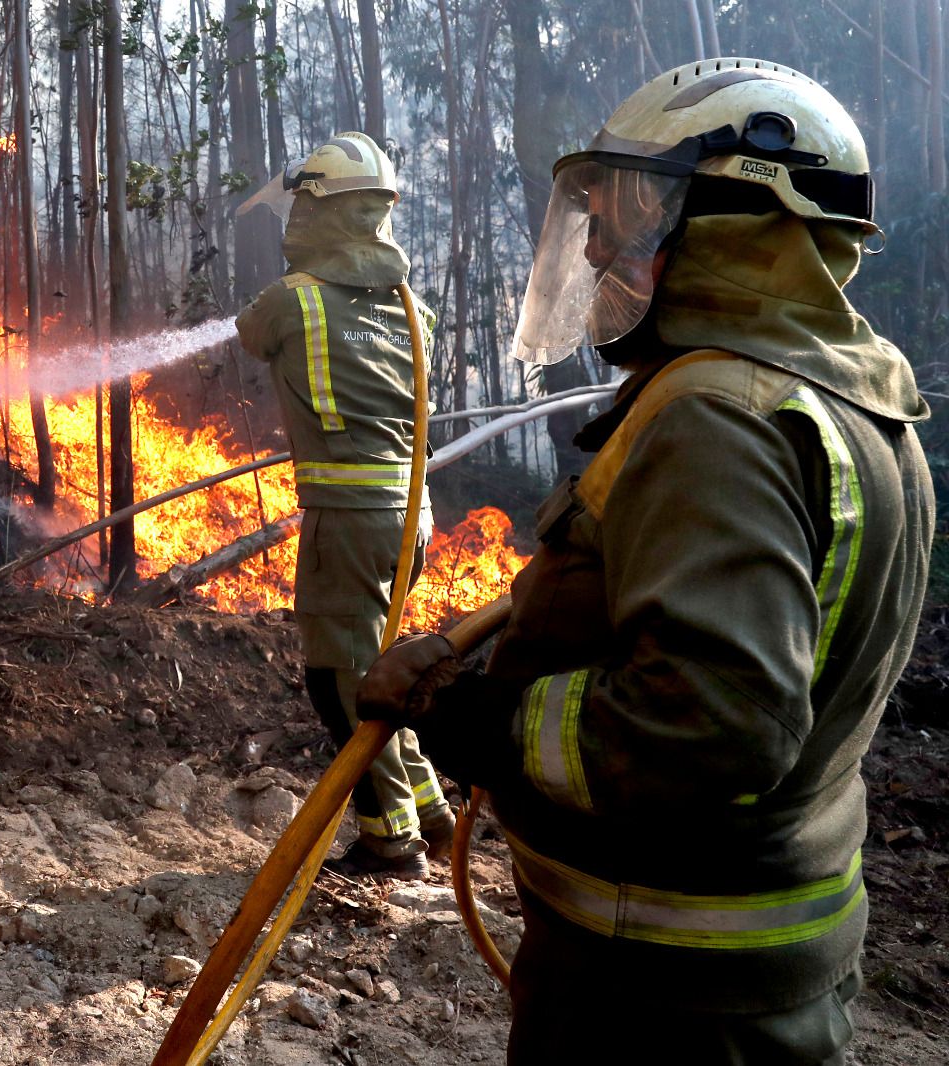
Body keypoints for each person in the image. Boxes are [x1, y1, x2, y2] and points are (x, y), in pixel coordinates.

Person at [358, 59, 934, 1063]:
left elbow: (706, 724)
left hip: (659, 999)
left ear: (736, 228)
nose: (593, 239)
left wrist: (463, 714)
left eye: (632, 206)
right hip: (740, 974)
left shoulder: (714, 419)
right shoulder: (849, 395)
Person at [234, 131, 452, 881]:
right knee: (380, 665)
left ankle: (392, 842)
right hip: (411, 516)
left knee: (340, 681)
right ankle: (428, 809)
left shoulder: (293, 300)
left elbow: (251, 334)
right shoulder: (411, 304)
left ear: (317, 212)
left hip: (351, 521)